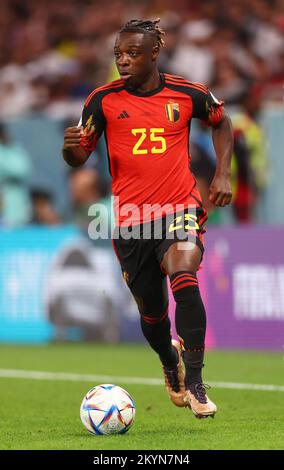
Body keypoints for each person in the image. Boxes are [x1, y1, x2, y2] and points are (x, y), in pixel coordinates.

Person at [62, 19, 233, 419]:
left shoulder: (187, 93)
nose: (123, 60)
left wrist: (223, 172)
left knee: (185, 273)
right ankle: (169, 360)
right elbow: (79, 156)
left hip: (179, 209)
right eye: (118, 54)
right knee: (153, 317)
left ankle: (196, 383)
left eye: (132, 53)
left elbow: (221, 121)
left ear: (154, 53)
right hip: (131, 221)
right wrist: (69, 150)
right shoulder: (102, 100)